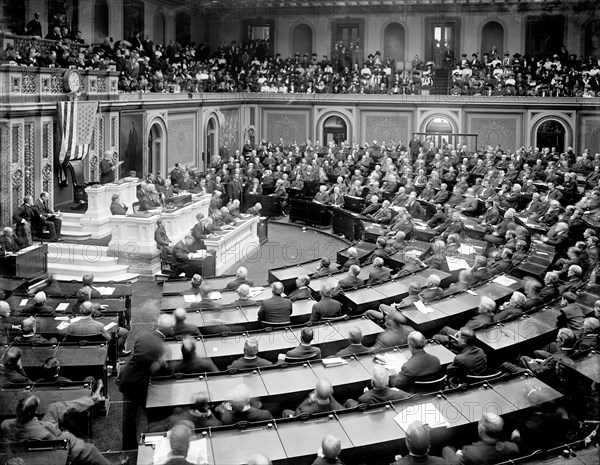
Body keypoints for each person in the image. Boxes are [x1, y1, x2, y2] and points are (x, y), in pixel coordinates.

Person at [0, 390, 127, 465]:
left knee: (54, 407)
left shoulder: (5, 424)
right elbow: (60, 443)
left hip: (37, 430)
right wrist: (65, 434)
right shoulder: (45, 432)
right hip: (51, 442)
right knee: (90, 448)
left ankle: (92, 399)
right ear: (34, 412)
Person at [118, 313, 173, 449]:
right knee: (154, 415)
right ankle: (153, 442)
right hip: (139, 385)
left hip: (128, 378)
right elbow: (162, 371)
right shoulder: (163, 348)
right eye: (172, 328)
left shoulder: (143, 336)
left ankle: (128, 447)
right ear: (168, 329)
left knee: (129, 418)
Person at [442, 413, 519, 464]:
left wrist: (459, 455)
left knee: (447, 449)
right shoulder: (512, 448)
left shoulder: (470, 454)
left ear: (482, 431)